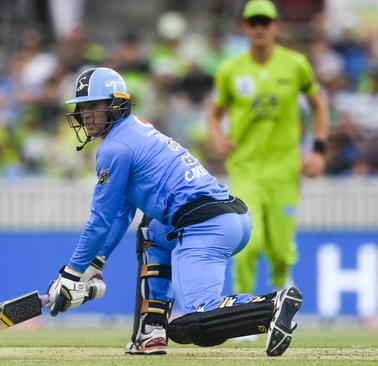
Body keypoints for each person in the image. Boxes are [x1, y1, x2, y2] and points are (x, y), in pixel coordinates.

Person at [45, 67, 303, 357]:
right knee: (152, 230)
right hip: (227, 217)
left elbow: (100, 219)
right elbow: (121, 214)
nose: (85, 114)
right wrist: (95, 264)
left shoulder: (114, 148)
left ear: (117, 104)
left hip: (205, 225)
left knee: (195, 321)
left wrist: (71, 272)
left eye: (94, 106)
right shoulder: (137, 128)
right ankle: (150, 331)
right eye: (82, 107)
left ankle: (271, 305)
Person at [206, 0, 329, 296]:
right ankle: (244, 305)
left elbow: (318, 106)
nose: (259, 28)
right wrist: (217, 138)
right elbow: (214, 112)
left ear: (275, 26)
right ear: (245, 28)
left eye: (265, 22)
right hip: (246, 169)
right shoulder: (231, 70)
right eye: (253, 23)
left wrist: (318, 150)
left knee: (281, 247)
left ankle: (280, 295)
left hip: (285, 170)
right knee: (248, 242)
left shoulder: (295, 64)